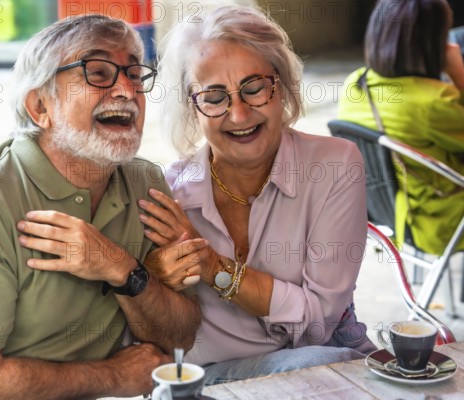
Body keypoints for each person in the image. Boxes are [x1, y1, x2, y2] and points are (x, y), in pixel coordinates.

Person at [0, 14, 205, 400]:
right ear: (39, 106)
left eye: (134, 74)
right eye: (97, 73)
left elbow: (178, 340)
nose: (126, 91)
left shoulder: (145, 184)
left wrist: (123, 270)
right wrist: (112, 376)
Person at [137, 5, 377, 386]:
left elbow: (317, 326)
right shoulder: (169, 195)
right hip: (214, 381)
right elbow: (156, 341)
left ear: (280, 85)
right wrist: (149, 277)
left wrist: (214, 267)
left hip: (322, 367)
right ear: (191, 106)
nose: (239, 113)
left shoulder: (334, 165)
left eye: (254, 88)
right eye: (214, 97)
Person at [338, 0, 464, 255]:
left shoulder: (355, 83)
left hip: (391, 214)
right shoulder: (432, 101)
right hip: (442, 224)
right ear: (433, 43)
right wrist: (458, 71)